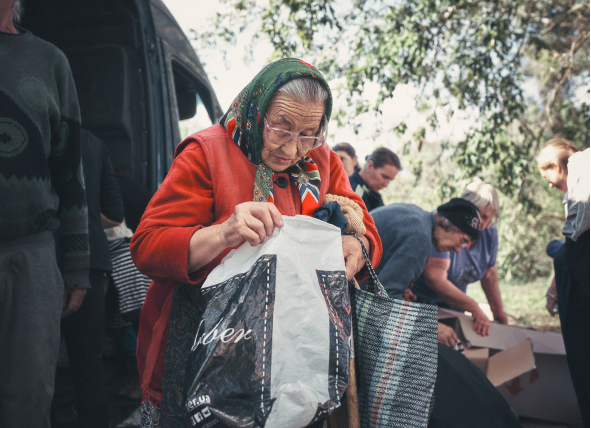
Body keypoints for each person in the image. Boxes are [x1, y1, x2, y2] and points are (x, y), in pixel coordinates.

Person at [130, 58, 382, 426]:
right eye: (281, 127)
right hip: (204, 352)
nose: (293, 148)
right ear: (256, 109)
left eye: (308, 132)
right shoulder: (207, 152)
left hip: (291, 359)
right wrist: (224, 232)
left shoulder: (322, 158)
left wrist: (359, 247)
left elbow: (363, 224)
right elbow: (148, 246)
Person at [0, 2, 91, 426]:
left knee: (29, 399)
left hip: (32, 257)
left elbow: (70, 171)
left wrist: (76, 263)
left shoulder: (50, 61)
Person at [57, 129, 124, 428]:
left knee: (26, 359)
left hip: (41, 251)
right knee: (88, 363)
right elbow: (115, 214)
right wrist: (83, 216)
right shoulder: (95, 143)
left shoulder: (33, 128)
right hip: (91, 257)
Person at [412, 180, 508, 336]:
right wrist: (474, 307)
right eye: (475, 214)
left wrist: (498, 312)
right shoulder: (445, 226)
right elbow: (435, 278)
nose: (480, 222)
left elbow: (489, 274)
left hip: (456, 305)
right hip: (422, 301)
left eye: (485, 217)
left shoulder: (489, 232)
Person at [545, 147, 589, 426]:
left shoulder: (581, 164)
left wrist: (558, 253)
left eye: (546, 170)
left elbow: (576, 228)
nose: (547, 181)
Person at [371, 200, 481, 300]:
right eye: (462, 240)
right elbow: (385, 295)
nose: (457, 250)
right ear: (446, 222)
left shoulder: (416, 215)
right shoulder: (421, 238)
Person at [536, 138, 581, 315]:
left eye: (546, 177)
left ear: (555, 166)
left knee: (556, 250)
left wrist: (554, 292)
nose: (550, 184)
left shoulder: (574, 194)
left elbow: (571, 250)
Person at [348, 147, 401, 212]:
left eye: (390, 180)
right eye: (384, 176)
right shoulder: (353, 193)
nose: (386, 184)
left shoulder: (372, 192)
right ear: (369, 166)